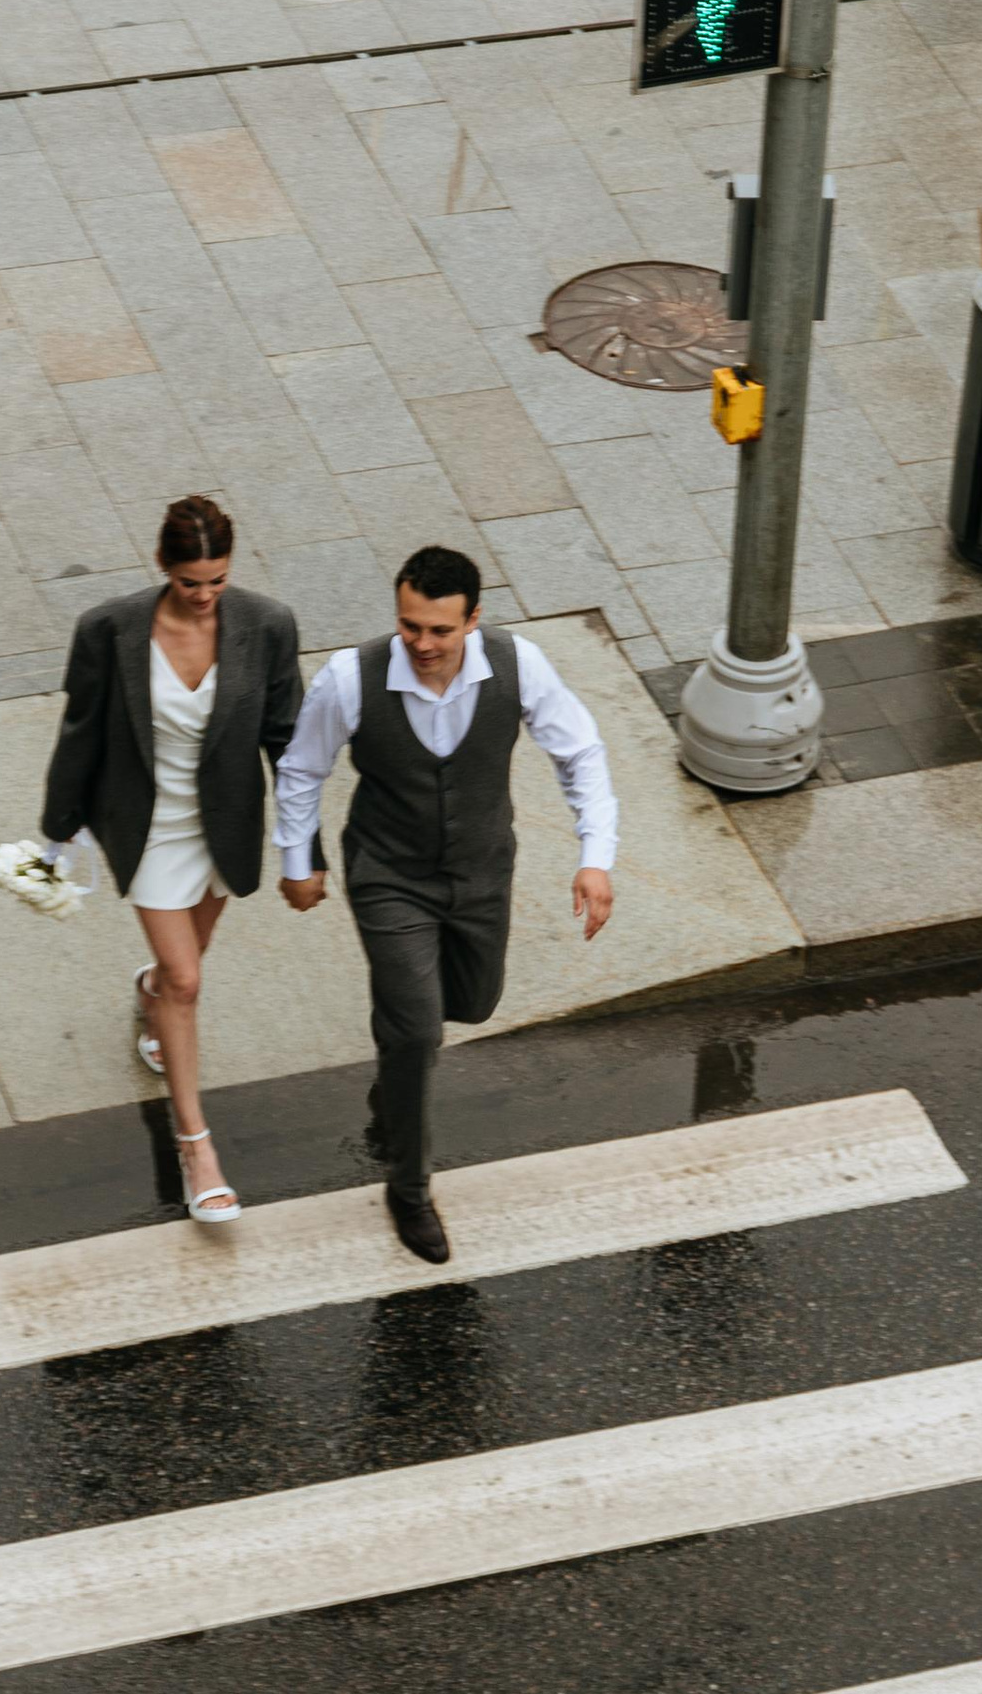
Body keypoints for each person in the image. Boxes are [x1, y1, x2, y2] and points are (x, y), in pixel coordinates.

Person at [276, 543, 616, 1263]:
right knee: (419, 1032)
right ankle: (408, 1189)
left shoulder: (518, 666)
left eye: (440, 630)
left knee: (472, 1002)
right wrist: (298, 859)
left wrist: (595, 860)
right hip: (388, 875)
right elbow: (302, 768)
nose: (423, 645)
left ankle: (394, 1064)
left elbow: (580, 752)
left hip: (481, 873)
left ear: (473, 620)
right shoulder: (349, 679)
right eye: (410, 627)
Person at [39, 495, 303, 1222]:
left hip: (224, 825)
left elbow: (287, 740)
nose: (205, 595)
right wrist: (56, 834)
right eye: (191, 581)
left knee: (179, 972)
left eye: (217, 579)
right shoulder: (110, 630)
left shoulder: (267, 625)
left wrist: (300, 841)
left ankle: (147, 990)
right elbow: (81, 732)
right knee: (188, 982)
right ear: (163, 565)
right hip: (148, 825)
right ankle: (197, 1148)